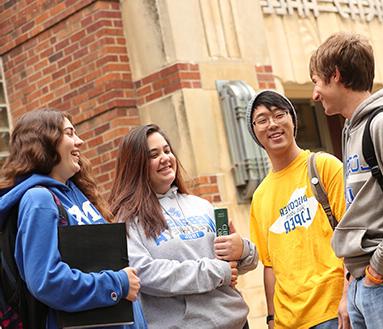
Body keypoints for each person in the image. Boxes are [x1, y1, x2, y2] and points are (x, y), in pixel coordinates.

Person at [309, 32, 383, 329]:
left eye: (316, 81)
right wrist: (357, 280)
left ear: (335, 75)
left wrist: (378, 268)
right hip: (366, 285)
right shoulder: (351, 129)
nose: (314, 93)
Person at [0, 109, 147, 329]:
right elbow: (47, 281)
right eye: (69, 133)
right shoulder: (38, 199)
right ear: (45, 141)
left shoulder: (76, 193)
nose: (80, 141)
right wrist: (118, 283)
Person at [109, 124, 258, 329]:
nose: (165, 158)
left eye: (167, 151)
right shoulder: (128, 220)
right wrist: (217, 271)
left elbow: (238, 264)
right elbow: (145, 274)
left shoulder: (201, 205)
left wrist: (243, 249)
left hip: (236, 322)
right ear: (136, 165)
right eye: (154, 154)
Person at [246, 90, 347, 329]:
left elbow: (351, 235)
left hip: (333, 313)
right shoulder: (260, 196)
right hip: (288, 322)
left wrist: (348, 297)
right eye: (262, 120)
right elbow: (269, 266)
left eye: (279, 115)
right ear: (254, 132)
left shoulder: (324, 166)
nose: (272, 124)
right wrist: (271, 319)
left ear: (292, 119)